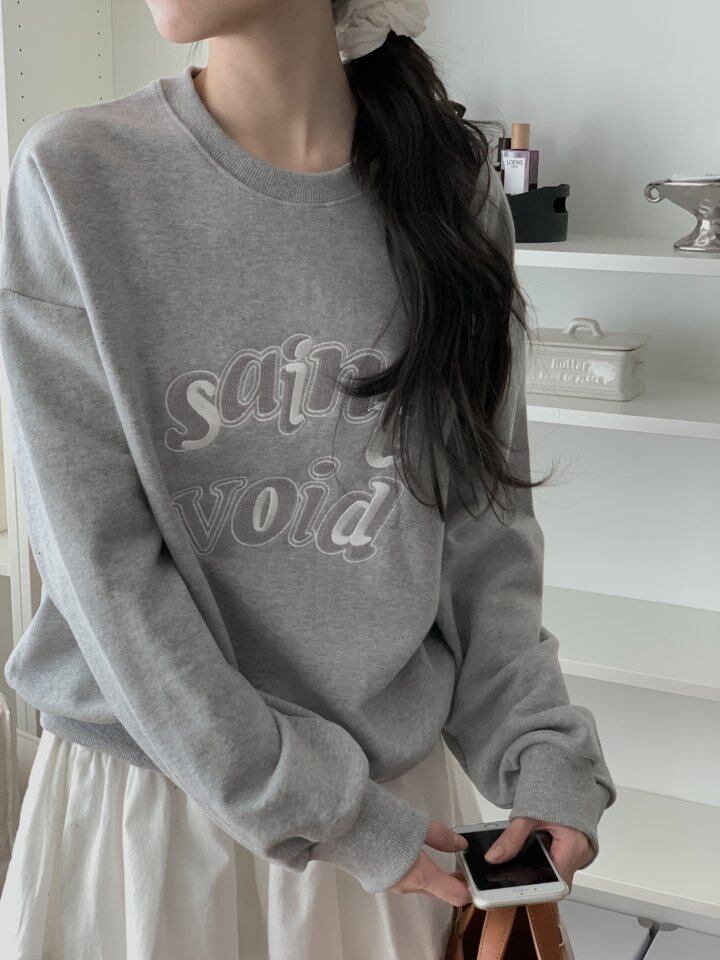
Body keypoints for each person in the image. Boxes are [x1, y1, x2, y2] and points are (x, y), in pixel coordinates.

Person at [0, 1, 617, 958]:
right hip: (153, 818)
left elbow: (481, 535)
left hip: (391, 824)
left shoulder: (452, 191)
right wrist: (315, 805)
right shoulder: (76, 177)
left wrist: (543, 752)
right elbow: (101, 575)